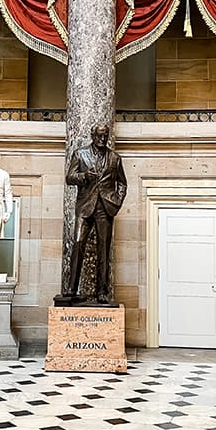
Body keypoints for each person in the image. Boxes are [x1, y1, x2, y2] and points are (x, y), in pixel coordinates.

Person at [64, 123, 127, 304]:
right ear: (93, 135)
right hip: (85, 207)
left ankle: (102, 291)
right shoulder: (80, 154)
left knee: (103, 249)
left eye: (105, 136)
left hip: (105, 208)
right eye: (99, 136)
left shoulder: (115, 158)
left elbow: (122, 183)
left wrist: (117, 200)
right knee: (77, 243)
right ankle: (71, 288)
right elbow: (69, 177)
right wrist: (84, 177)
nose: (102, 139)